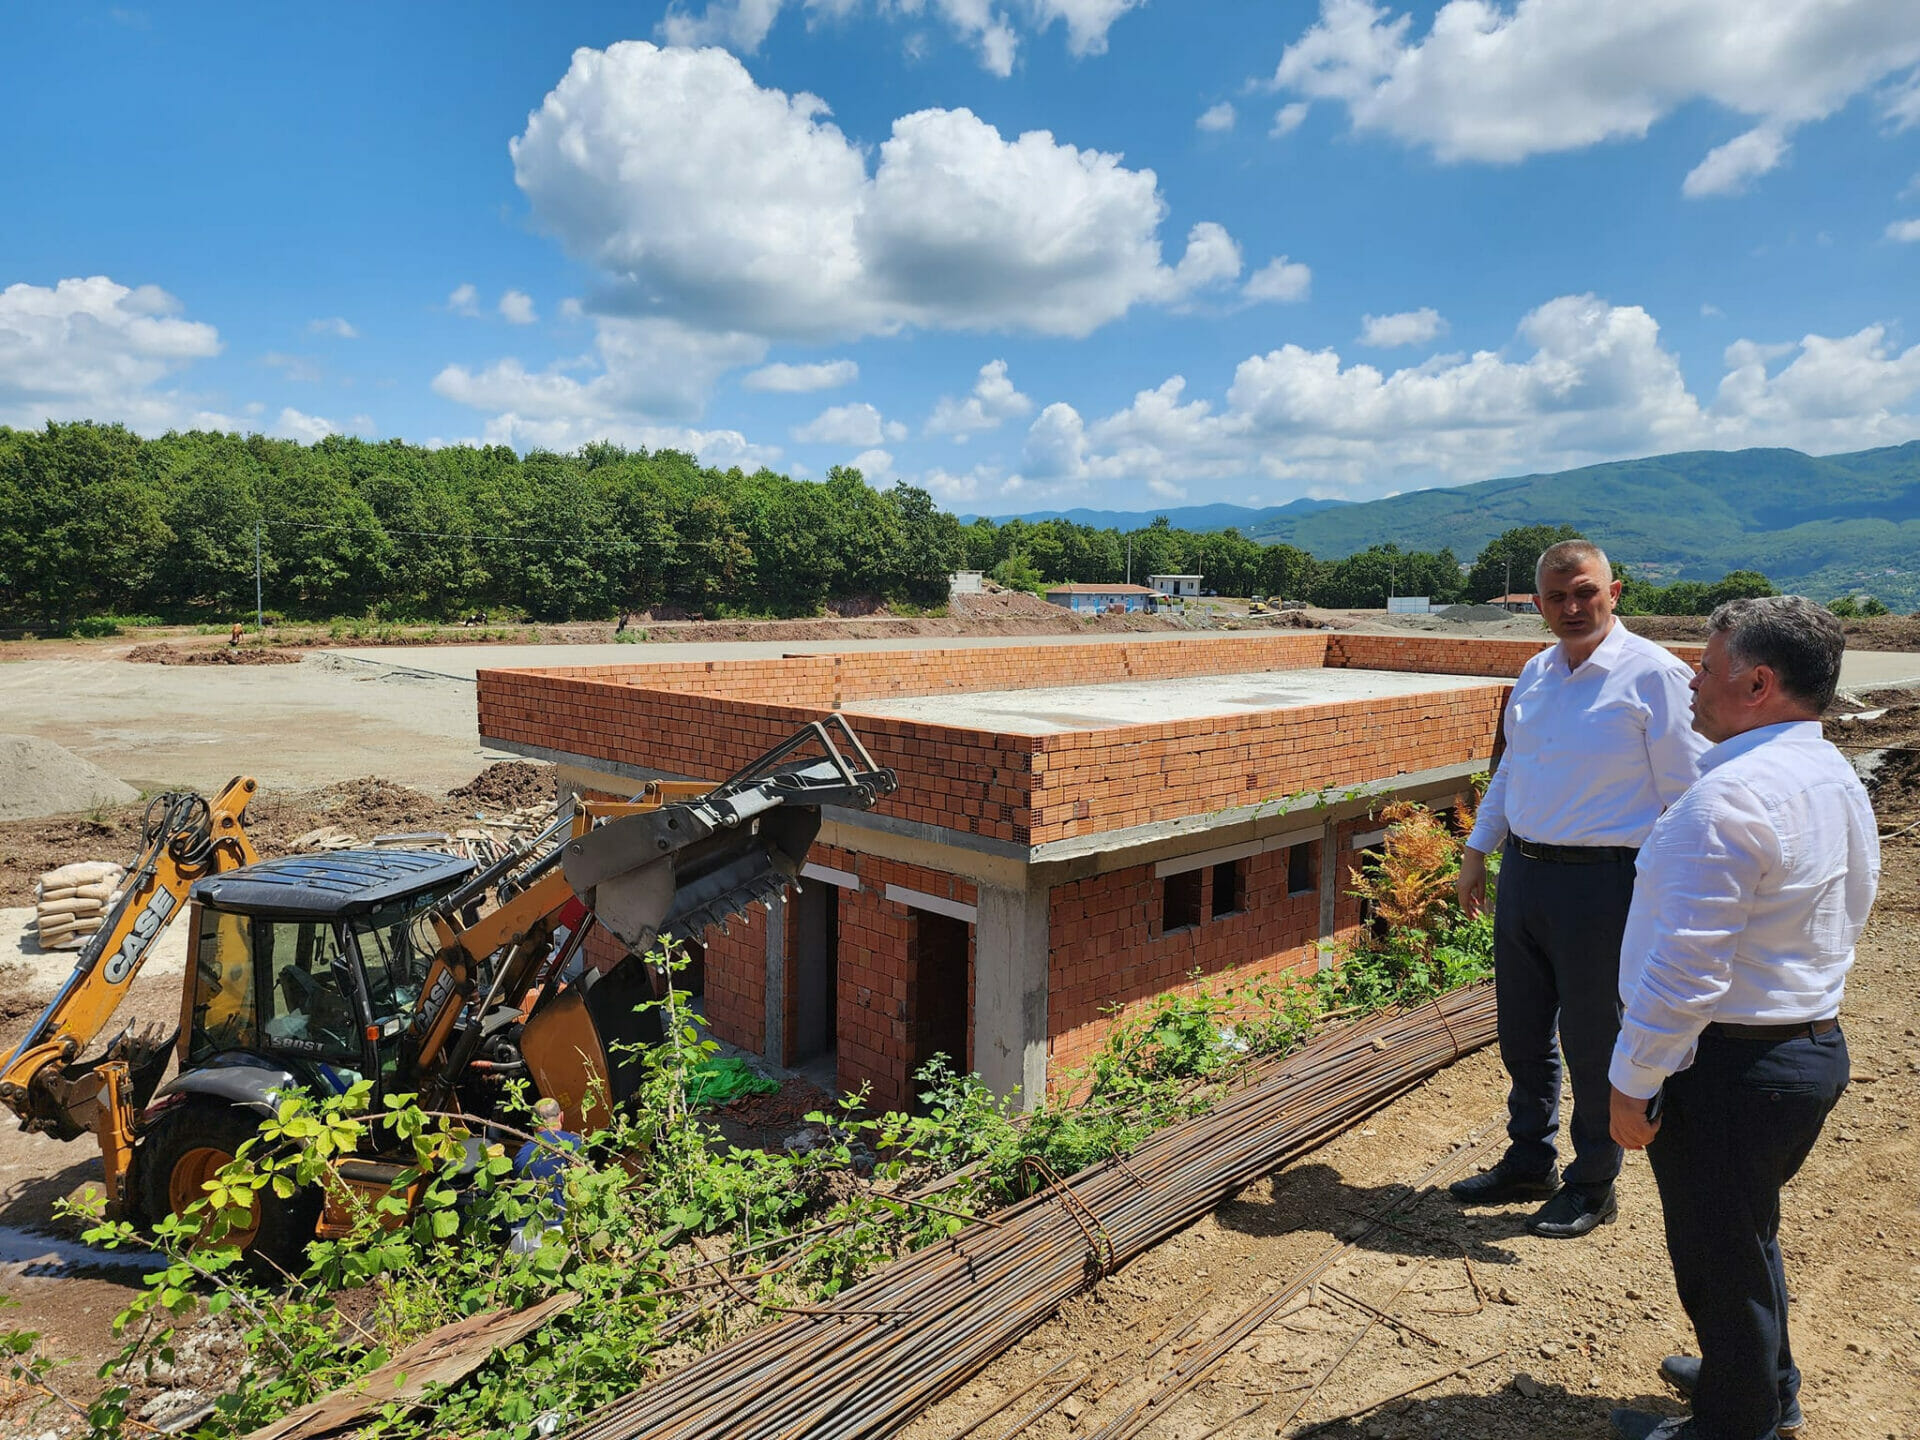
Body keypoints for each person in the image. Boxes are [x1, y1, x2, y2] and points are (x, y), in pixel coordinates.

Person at [1606, 596, 1877, 1440]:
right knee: (1747, 1234)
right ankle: (1758, 1381)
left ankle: (1735, 1421)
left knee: (1718, 1254)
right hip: (1801, 1049)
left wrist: (1630, 1082)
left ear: (1757, 683)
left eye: (1708, 665)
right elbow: (1855, 900)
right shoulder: (1828, 772)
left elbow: (1684, 973)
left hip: (1728, 1067)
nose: (1692, 680)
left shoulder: (1726, 802)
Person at [1450, 540, 1709, 1238]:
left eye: (1585, 593)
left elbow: (1690, 797)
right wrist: (1478, 852)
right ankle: (1529, 1156)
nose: (1571, 607)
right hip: (1527, 874)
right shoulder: (1535, 673)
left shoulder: (1654, 676)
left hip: (1607, 882)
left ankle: (1593, 1181)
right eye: (1556, 597)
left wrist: (1670, 894)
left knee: (1595, 1038)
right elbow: (1510, 773)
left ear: (1614, 592)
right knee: (1523, 1029)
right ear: (1537, 603)